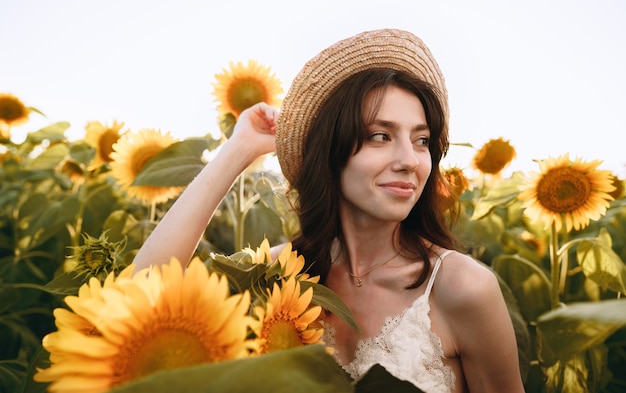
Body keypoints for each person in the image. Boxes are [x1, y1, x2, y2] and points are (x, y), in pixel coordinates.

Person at [132, 29, 525, 393]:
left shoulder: (461, 288)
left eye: (422, 140)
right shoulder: (276, 277)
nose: (410, 160)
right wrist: (239, 149)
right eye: (380, 136)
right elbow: (144, 293)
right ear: (330, 151)